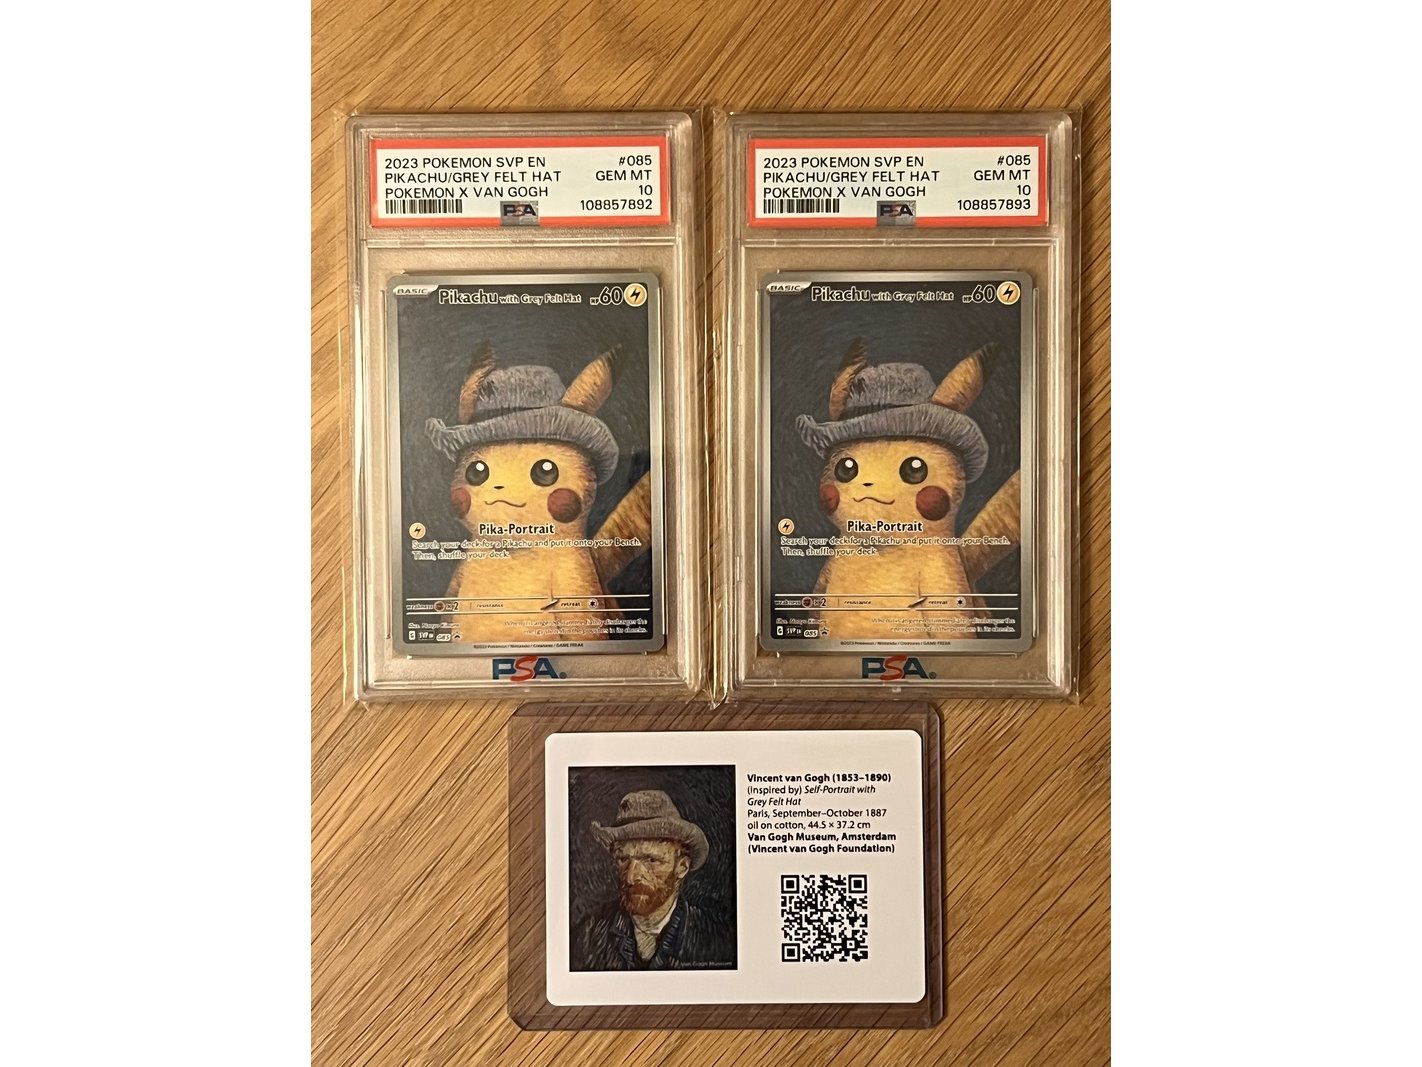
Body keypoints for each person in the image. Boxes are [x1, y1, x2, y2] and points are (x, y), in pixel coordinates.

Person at [570, 789, 735, 970]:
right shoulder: (586, 936)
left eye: (651, 860)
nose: (631, 876)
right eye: (623, 859)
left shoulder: (716, 939)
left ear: (682, 867)